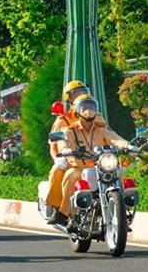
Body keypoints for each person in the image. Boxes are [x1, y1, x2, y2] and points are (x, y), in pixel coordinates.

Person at [52, 95, 136, 225]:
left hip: (101, 166)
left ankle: (121, 211)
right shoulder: (70, 130)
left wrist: (128, 146)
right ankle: (64, 213)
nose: (88, 109)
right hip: (80, 167)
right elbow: (63, 142)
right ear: (76, 110)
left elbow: (115, 138)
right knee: (71, 175)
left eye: (91, 106)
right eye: (84, 107)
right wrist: (65, 150)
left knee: (119, 172)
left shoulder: (101, 129)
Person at [45, 80, 91, 224]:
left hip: (92, 160)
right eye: (77, 93)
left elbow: (107, 134)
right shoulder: (63, 120)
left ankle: (121, 209)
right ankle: (60, 210)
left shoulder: (94, 116)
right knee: (58, 171)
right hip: (70, 160)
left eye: (83, 92)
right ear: (69, 99)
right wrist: (57, 159)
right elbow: (53, 144)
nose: (81, 96)